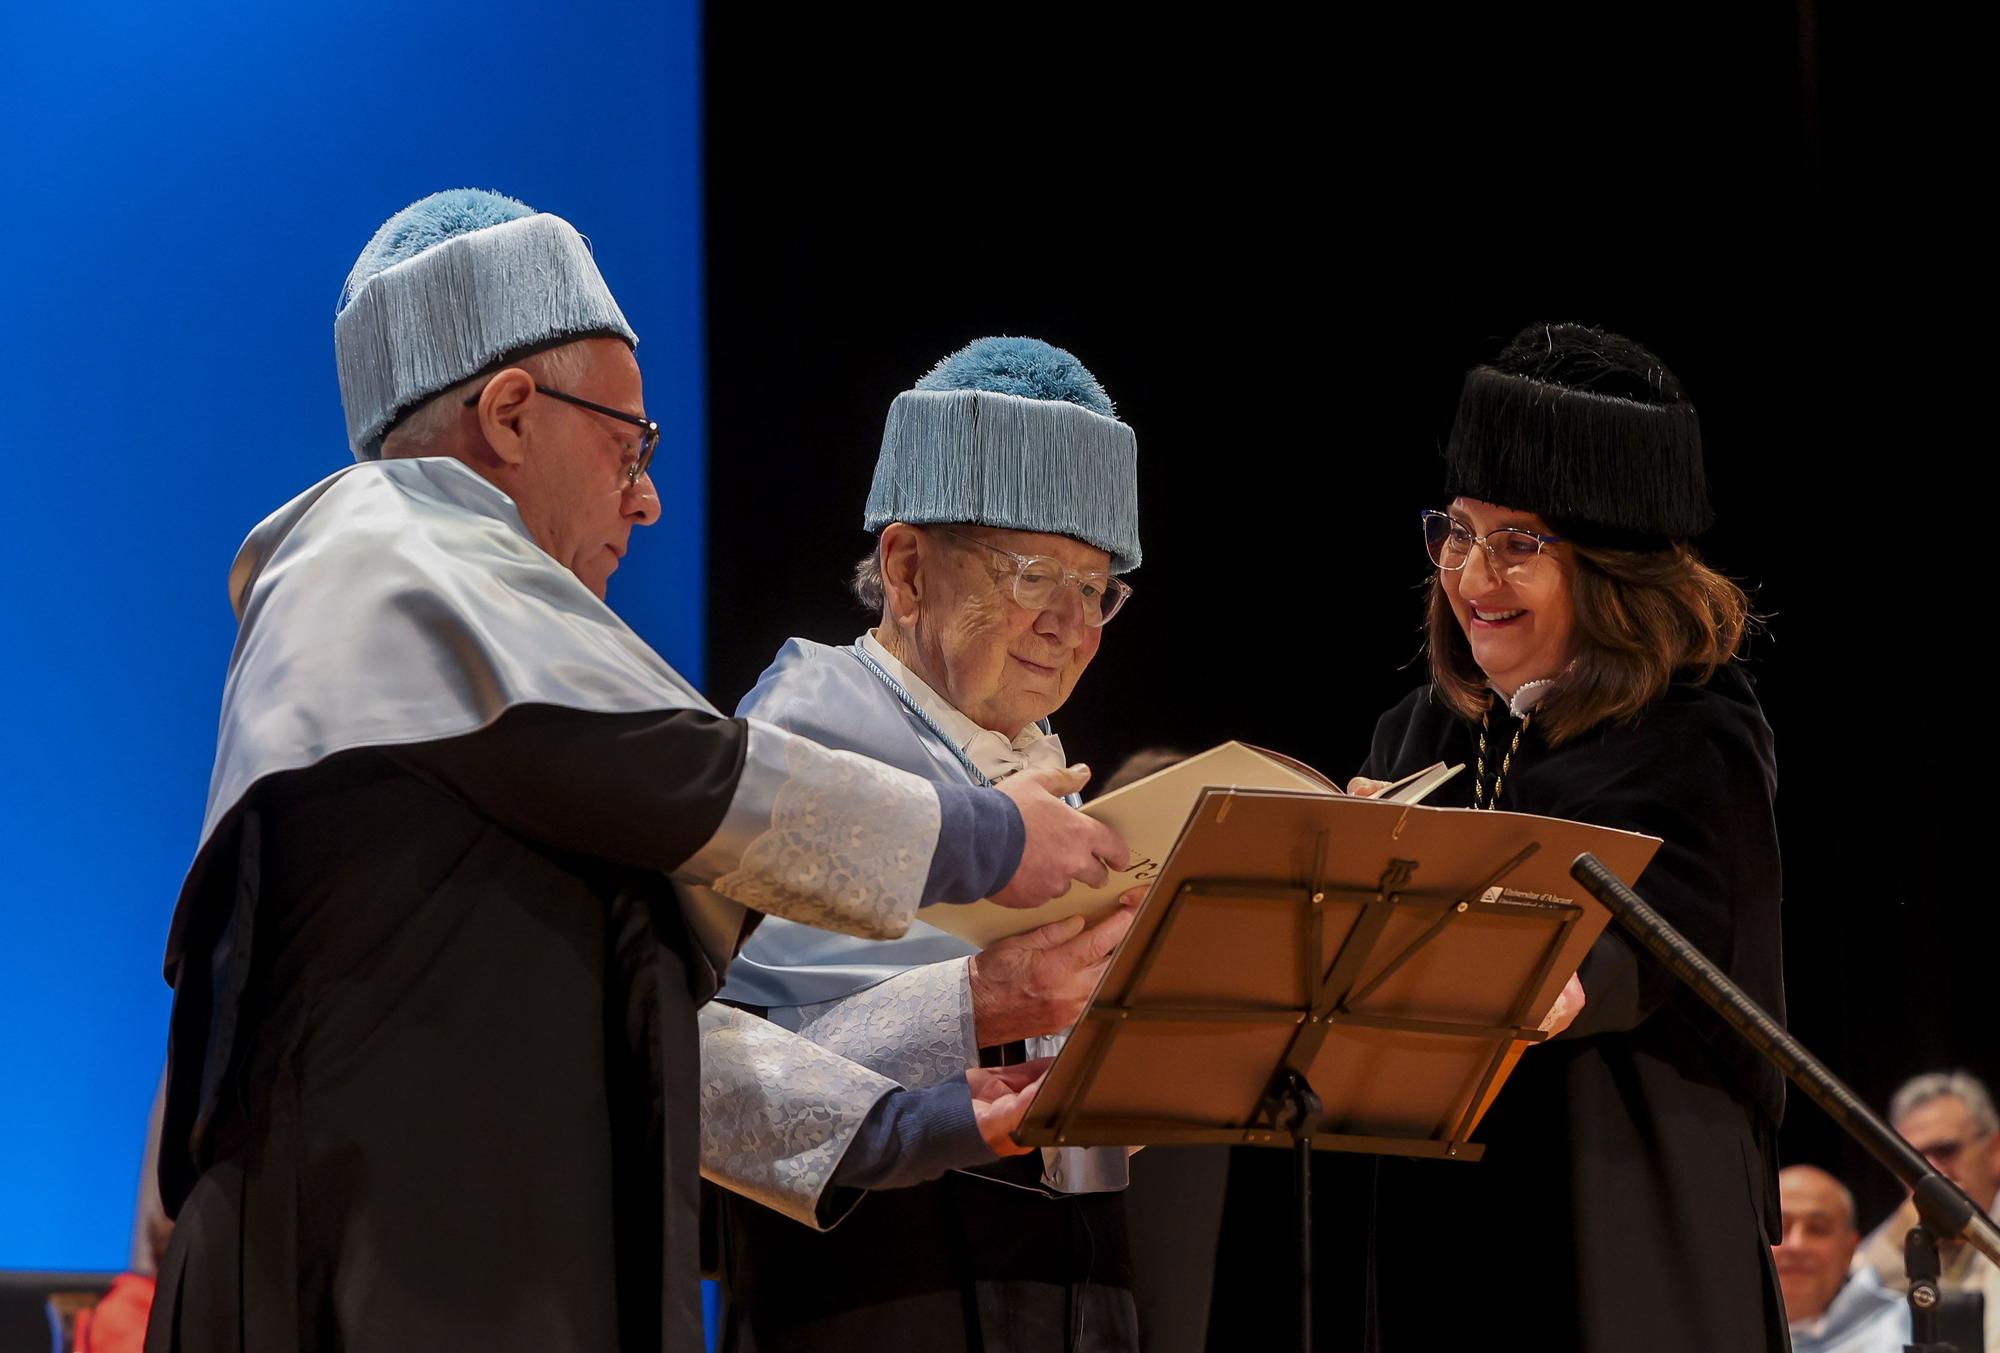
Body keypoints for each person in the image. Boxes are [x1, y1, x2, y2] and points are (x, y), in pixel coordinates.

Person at [146, 193, 1124, 1353]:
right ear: (511, 413)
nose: (648, 497)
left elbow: (665, 1042)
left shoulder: (499, 691)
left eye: (1097, 586)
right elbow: (714, 787)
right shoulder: (384, 569)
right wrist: (992, 844)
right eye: (627, 446)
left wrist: (910, 1125)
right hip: (374, 1271)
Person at [1351, 323, 1786, 1350]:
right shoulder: (1416, 730)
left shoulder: (1692, 734)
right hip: (1437, 1209)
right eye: (1456, 532)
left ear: (1612, 571)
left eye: (1518, 544)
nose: (1471, 577)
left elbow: (1635, 957)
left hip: (1621, 1199)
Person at [714, 337, 1145, 1352]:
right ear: (905, 569)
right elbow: (734, 1070)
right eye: (1035, 575)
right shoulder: (802, 742)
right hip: (876, 1282)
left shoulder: (1042, 760)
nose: (1068, 625)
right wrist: (981, 1000)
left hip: (1071, 1273)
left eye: (1096, 591)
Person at [1855, 1070, 2000, 1349]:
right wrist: (1893, 1245)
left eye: (1946, 1151)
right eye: (1913, 1161)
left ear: (1994, 1150)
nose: (1931, 1172)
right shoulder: (1898, 1234)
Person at [1776, 1165, 1909, 1353]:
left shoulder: (1903, 1329)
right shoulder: (1722, 1327)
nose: (1797, 1245)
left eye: (1818, 1229)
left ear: (1850, 1249)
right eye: (1780, 1228)